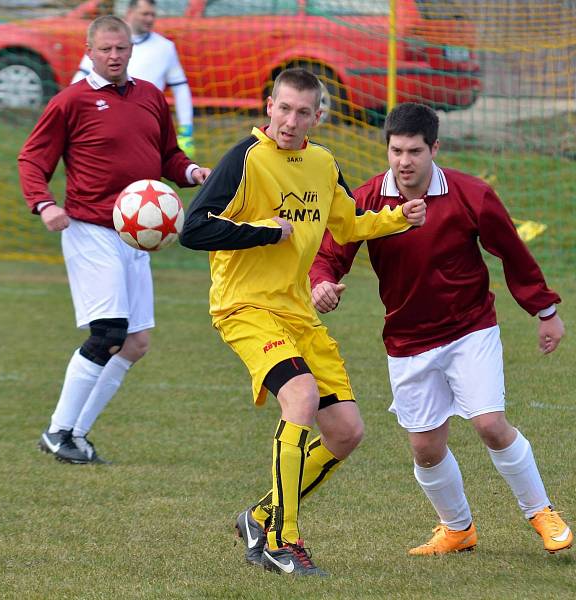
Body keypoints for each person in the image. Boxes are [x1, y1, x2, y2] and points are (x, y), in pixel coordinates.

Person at [179, 68, 426, 576]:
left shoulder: (321, 163)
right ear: (269, 106)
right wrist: (263, 232)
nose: (290, 121)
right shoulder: (245, 160)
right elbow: (195, 229)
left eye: (302, 112)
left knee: (347, 431)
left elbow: (349, 223)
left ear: (318, 116)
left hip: (296, 312)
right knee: (301, 397)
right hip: (244, 307)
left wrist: (399, 217)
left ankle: (260, 515)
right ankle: (281, 539)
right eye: (283, 108)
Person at [309, 102, 574, 556]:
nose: (404, 161)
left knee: (490, 424)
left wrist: (544, 311)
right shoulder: (368, 198)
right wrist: (322, 283)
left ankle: (541, 511)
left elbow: (511, 252)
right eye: (395, 151)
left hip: (470, 328)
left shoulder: (471, 194)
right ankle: (457, 529)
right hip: (407, 340)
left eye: (414, 151)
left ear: (435, 148)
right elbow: (330, 253)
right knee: (426, 449)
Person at [18, 15, 211, 465]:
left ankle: (75, 436)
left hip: (136, 237)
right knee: (108, 332)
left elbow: (168, 156)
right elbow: (32, 158)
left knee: (135, 342)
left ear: (130, 50)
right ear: (89, 51)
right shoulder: (71, 101)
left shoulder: (149, 96)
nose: (114, 56)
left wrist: (191, 172)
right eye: (105, 49)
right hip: (89, 229)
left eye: (121, 48)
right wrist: (44, 204)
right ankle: (58, 430)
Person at [72, 0, 197, 156]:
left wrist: (186, 130)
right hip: (103, 119)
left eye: (153, 15)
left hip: (146, 124)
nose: (150, 19)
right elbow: (81, 76)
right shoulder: (105, 42)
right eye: (145, 14)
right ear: (130, 12)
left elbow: (180, 87)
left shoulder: (165, 47)